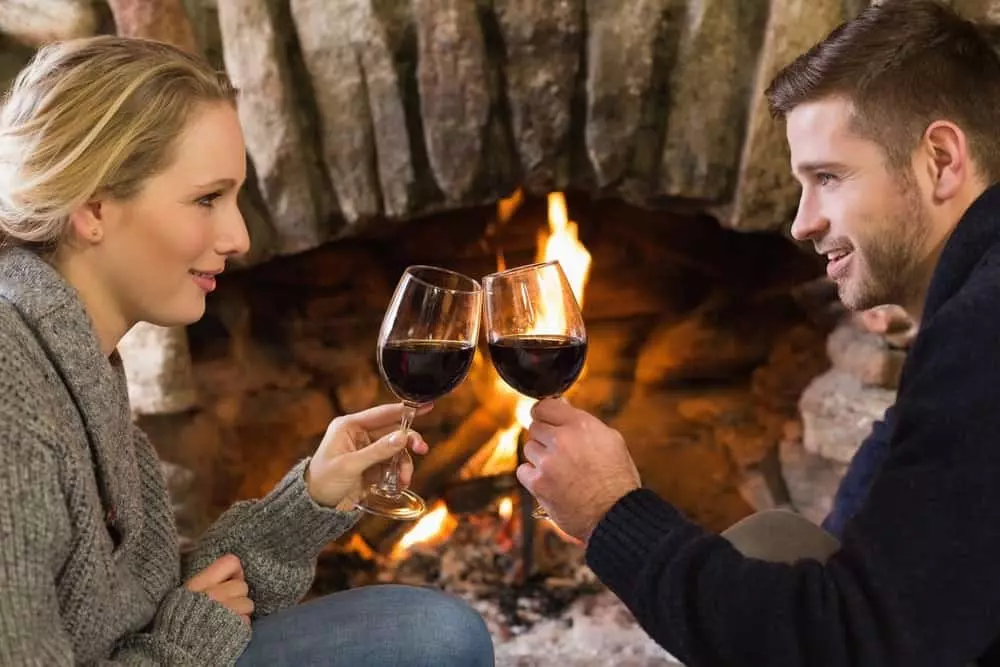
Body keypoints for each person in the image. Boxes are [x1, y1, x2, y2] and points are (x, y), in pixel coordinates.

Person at [518, 1, 1000, 665]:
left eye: (828, 178)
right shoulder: (967, 309)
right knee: (777, 538)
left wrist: (609, 512)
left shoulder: (982, 336)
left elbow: (844, 642)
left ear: (940, 159)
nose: (801, 223)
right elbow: (878, 557)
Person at [0, 35, 493, 666]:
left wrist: (313, 496)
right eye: (206, 199)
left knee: (437, 634)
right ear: (93, 208)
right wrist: (182, 647)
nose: (239, 236)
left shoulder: (79, 357)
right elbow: (171, 630)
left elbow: (160, 602)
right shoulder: (14, 398)